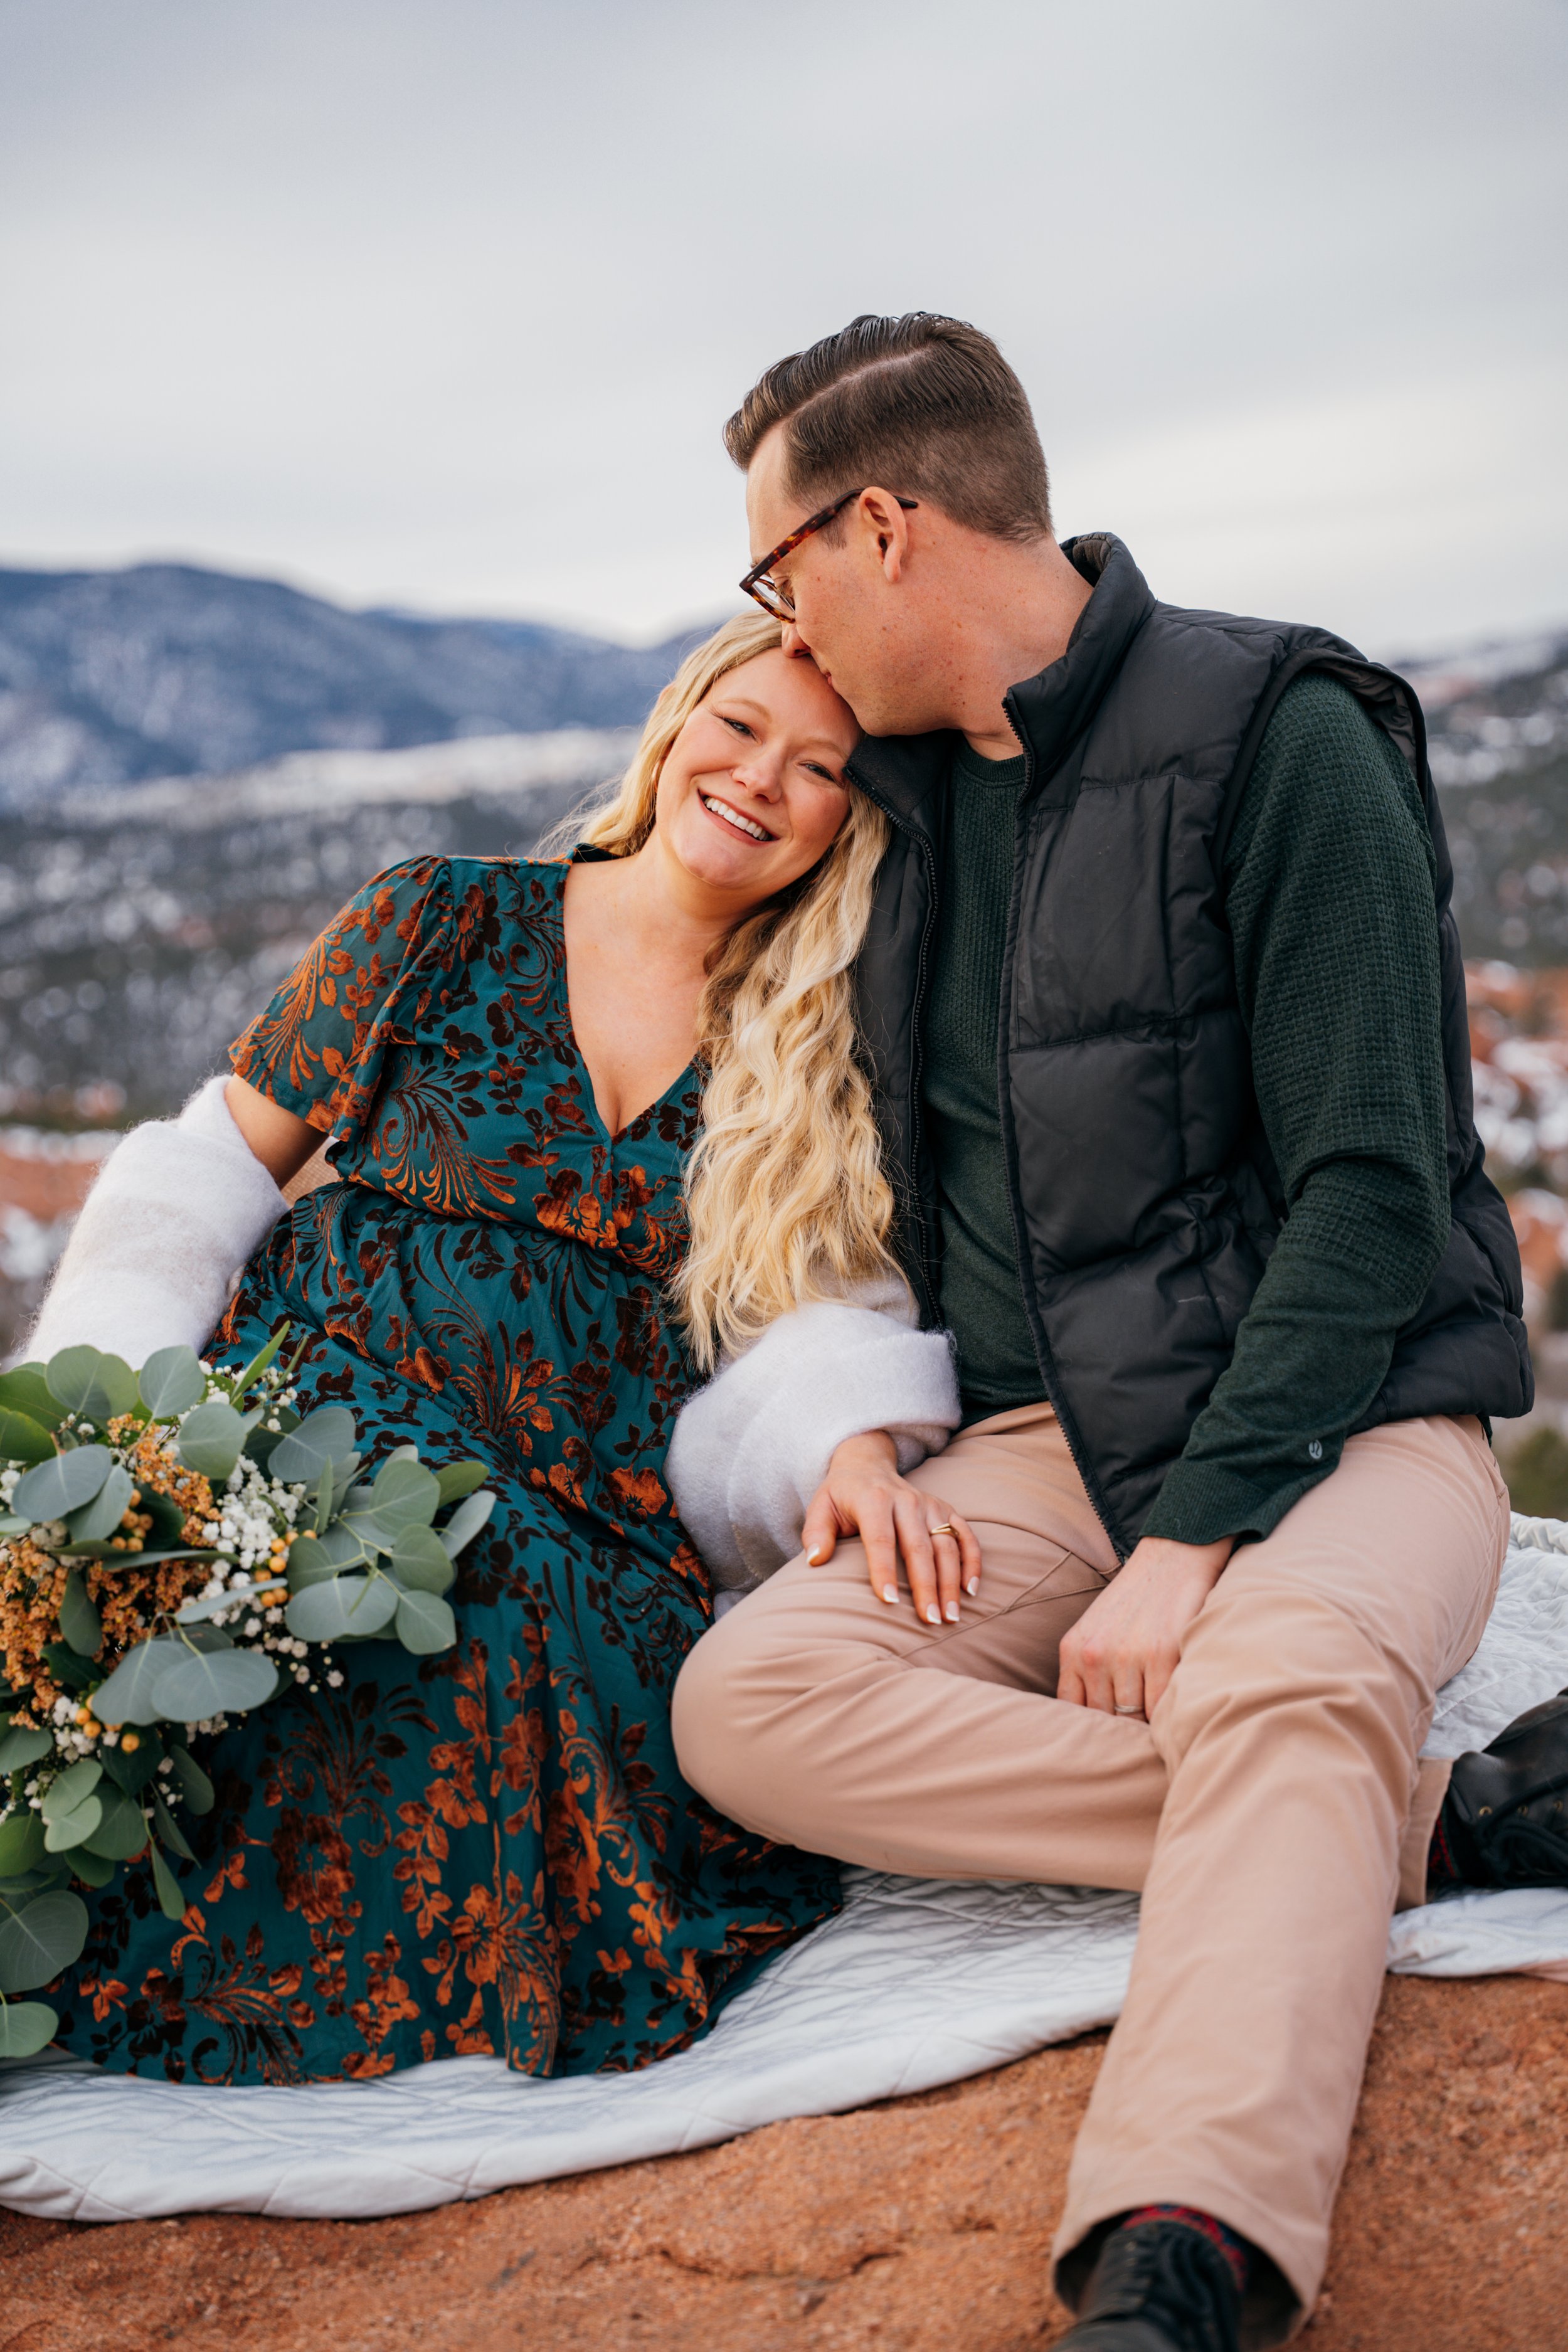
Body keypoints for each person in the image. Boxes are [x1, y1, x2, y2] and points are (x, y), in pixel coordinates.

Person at [668, 315, 1565, 2349]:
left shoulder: (1279, 731)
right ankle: (1445, 1822)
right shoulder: (891, 807)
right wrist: (847, 1422)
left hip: (1345, 1420)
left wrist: (1192, 1539)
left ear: (882, 527)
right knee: (750, 1702)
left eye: (778, 568)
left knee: (1271, 1678)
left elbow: (1373, 1188)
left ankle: (1176, 2262)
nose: (779, 622)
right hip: (1039, 1445)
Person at [30, 612, 940, 2084]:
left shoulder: (811, 1043)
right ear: (674, 728)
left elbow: (818, 1297)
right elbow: (215, 1162)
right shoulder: (440, 917)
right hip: (325, 1404)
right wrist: (113, 1411)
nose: (760, 779)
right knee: (384, 1587)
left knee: (527, 1599)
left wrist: (853, 1441)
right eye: (738, 728)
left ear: (852, 818)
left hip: (588, 1495)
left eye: (819, 767)